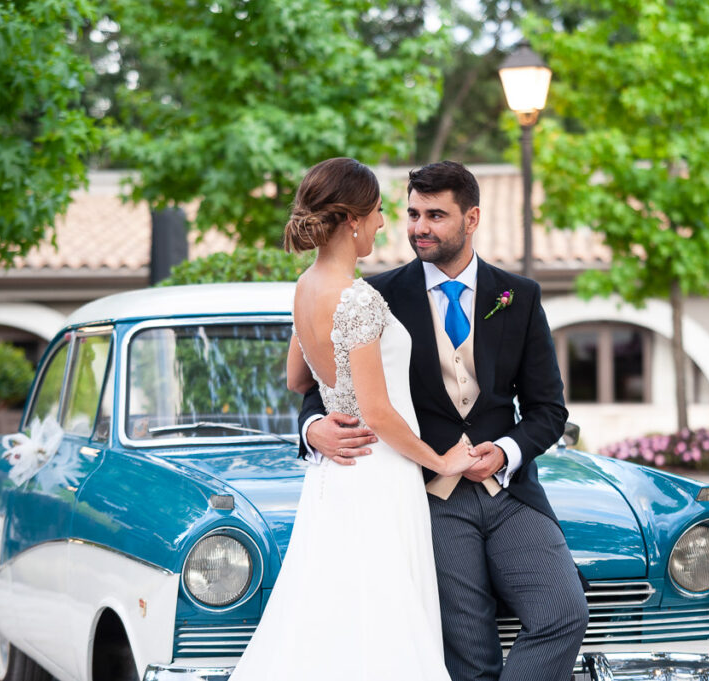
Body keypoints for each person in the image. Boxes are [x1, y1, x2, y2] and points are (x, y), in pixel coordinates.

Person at [300, 161, 589, 681]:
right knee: (468, 657)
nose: (417, 227)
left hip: (510, 496)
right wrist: (312, 426)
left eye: (435, 214)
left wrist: (505, 452)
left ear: (471, 218)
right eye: (412, 213)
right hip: (427, 497)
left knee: (563, 614)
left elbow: (549, 411)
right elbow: (330, 380)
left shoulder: (517, 296)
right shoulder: (373, 293)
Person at [229, 157, 477, 681]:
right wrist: (442, 461)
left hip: (333, 474)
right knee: (385, 615)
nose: (386, 223)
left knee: (332, 614)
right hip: (378, 472)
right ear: (352, 220)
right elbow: (380, 412)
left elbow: (299, 379)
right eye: (380, 211)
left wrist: (324, 416)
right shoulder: (357, 298)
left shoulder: (305, 287)